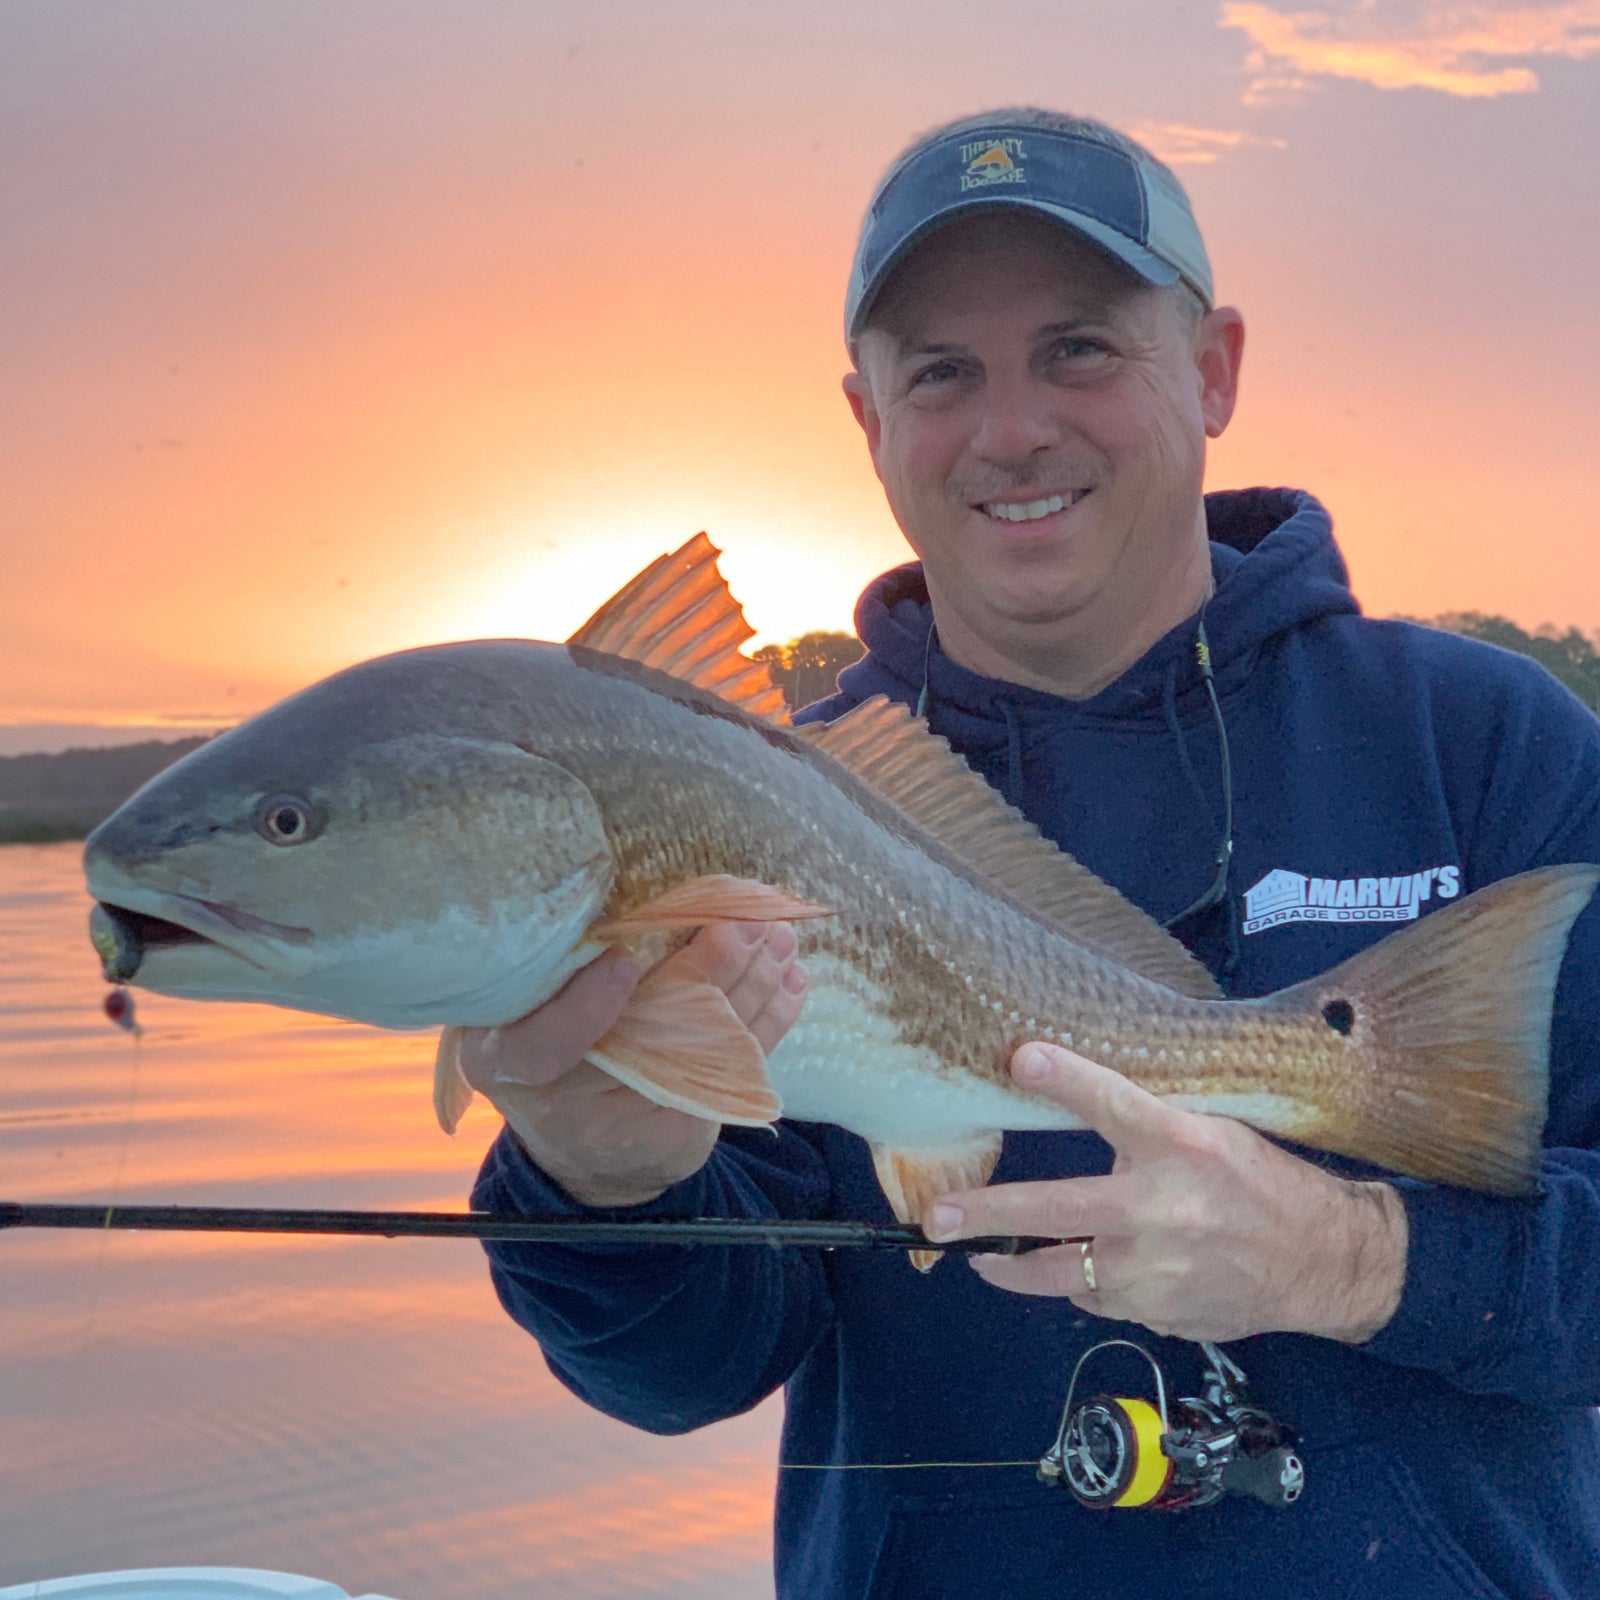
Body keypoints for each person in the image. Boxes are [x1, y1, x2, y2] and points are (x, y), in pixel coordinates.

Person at [462, 108, 1600, 1598]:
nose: (1011, 431)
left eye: (1078, 348)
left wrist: (1350, 1257)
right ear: (868, 420)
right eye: (942, 372)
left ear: (1214, 369)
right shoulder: (762, 811)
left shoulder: (1484, 742)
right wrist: (599, 1185)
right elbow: (684, 1373)